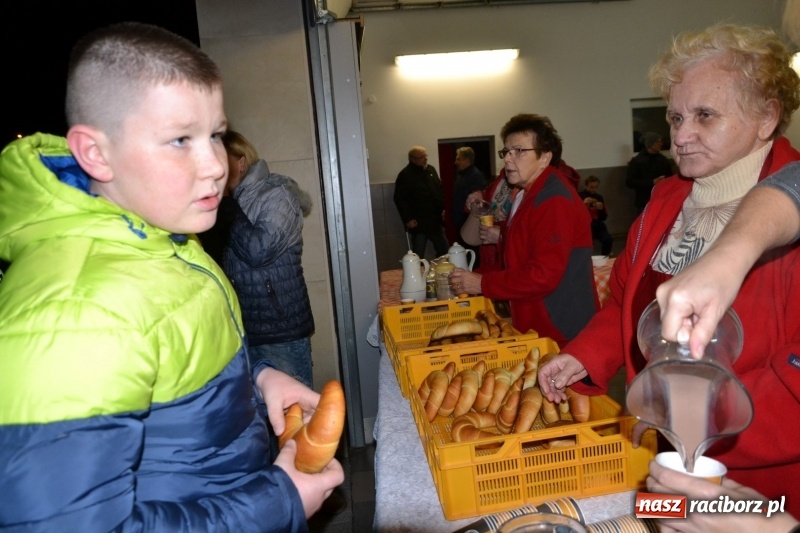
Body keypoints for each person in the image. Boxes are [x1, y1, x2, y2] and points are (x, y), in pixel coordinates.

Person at [0, 22, 343, 531]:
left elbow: (171, 365)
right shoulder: (75, 309)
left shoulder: (165, 236)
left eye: (216, 135)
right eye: (180, 140)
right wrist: (280, 499)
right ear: (95, 153)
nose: (214, 166)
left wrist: (259, 380)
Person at [538, 23, 800, 518]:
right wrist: (584, 356)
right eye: (676, 116)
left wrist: (701, 428)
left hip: (762, 477)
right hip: (673, 448)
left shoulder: (791, 215)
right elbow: (625, 301)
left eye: (705, 116)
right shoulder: (667, 198)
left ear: (766, 117)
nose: (680, 135)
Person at [448, 114, 599, 345]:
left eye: (519, 151)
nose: (508, 159)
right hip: (536, 324)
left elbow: (542, 277)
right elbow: (514, 262)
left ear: (544, 157)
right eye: (506, 151)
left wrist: (481, 283)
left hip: (562, 330)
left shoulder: (553, 200)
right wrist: (476, 276)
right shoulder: (524, 194)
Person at [222, 130, 316, 389]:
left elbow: (258, 251)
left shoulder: (277, 194)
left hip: (280, 334)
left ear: (240, 162)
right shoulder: (222, 202)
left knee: (292, 423)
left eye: (220, 158)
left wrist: (228, 206)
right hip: (242, 334)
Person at [197, 129, 258, 266]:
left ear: (241, 164)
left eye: (222, 161)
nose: (216, 170)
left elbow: (256, 252)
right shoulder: (215, 203)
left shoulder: (272, 195)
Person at [393, 145, 448, 258]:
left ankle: (442, 272)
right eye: (422, 157)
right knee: (418, 253)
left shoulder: (430, 170)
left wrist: (442, 208)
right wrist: (407, 219)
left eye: (425, 156)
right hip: (418, 221)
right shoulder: (405, 175)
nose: (425, 159)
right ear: (413, 159)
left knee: (444, 250)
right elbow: (399, 198)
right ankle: (417, 273)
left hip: (435, 219)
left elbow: (439, 190)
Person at [626, 131, 673, 213]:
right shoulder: (637, 161)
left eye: (661, 141)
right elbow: (630, 182)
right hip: (644, 201)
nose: (661, 144)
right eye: (657, 141)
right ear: (650, 144)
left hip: (662, 199)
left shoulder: (663, 160)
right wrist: (651, 182)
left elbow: (670, 177)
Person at [579, 175, 613, 256]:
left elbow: (604, 217)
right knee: (586, 242)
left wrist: (601, 209)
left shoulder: (599, 197)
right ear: (586, 186)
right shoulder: (580, 196)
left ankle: (605, 257)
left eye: (595, 187)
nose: (593, 189)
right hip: (585, 225)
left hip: (597, 224)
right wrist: (582, 204)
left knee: (608, 239)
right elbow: (575, 213)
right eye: (591, 187)